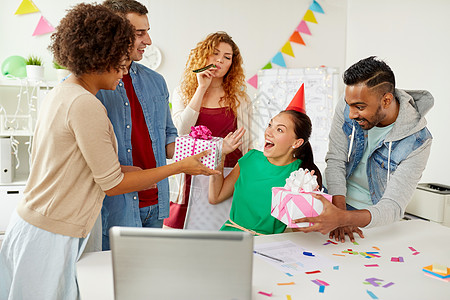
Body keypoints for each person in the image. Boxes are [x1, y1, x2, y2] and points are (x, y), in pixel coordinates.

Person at [0, 4, 217, 299]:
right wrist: (180, 167)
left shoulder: (65, 94)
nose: (124, 69)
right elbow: (112, 184)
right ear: (102, 55)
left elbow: (78, 165)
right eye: (120, 60)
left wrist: (139, 171)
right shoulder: (85, 104)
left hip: (43, 223)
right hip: (53, 230)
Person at [295, 56, 433, 242]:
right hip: (334, 199)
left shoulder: (417, 141)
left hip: (371, 218)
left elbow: (393, 206)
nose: (351, 114)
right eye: (349, 105)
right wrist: (338, 212)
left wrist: (344, 218)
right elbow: (336, 159)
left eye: (359, 107)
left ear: (386, 100)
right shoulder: (349, 104)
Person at [96, 0, 177, 251]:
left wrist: (208, 152)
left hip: (156, 204)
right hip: (115, 209)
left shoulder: (156, 81)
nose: (149, 41)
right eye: (139, 33)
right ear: (114, 32)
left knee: (148, 282)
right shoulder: (90, 85)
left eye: (147, 31)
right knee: (113, 285)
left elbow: (168, 137)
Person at [164, 31, 254, 230]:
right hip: (189, 175)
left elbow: (248, 148)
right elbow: (180, 132)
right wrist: (201, 88)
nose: (220, 60)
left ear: (232, 64)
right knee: (181, 241)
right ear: (203, 55)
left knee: (221, 237)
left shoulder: (240, 99)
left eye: (227, 57)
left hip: (225, 178)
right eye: (215, 53)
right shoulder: (182, 92)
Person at [208, 84, 323, 235]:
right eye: (270, 125)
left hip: (271, 245)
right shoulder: (250, 159)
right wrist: (220, 155)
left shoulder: (302, 175)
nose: (269, 132)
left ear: (297, 142)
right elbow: (215, 197)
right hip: (231, 237)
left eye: (279, 129)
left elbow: (300, 228)